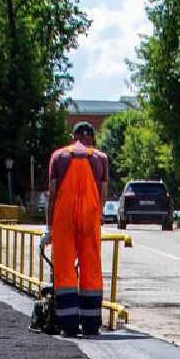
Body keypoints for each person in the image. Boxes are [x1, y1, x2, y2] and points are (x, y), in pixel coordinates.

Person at [45, 122, 109, 337]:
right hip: (90, 218)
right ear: (92, 137)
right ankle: (91, 326)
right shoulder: (100, 159)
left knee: (64, 271)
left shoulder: (59, 157)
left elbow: (52, 194)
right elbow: (103, 195)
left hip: (64, 219)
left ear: (73, 137)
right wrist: (96, 219)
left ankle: (69, 326)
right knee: (91, 270)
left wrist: (49, 227)